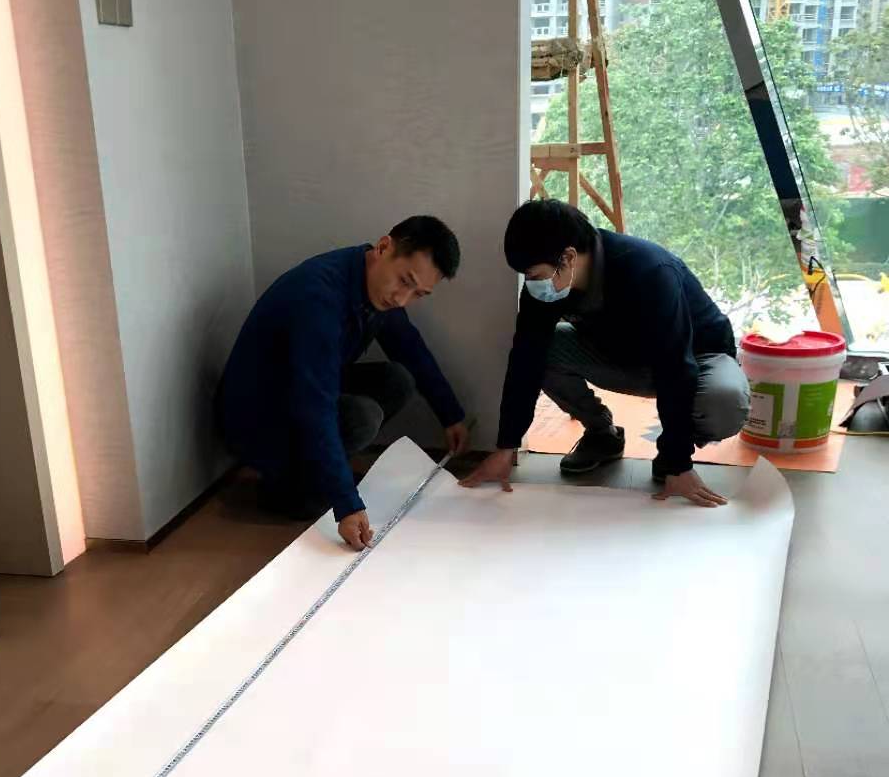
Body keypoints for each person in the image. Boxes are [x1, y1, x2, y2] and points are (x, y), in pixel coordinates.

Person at [461, 200, 751, 508]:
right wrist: (506, 447)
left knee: (725, 402)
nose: (531, 284)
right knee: (543, 352)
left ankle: (672, 455)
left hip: (695, 357)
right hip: (623, 355)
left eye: (533, 275)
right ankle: (602, 434)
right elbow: (526, 358)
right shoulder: (548, 285)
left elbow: (676, 366)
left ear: (568, 257)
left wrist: (678, 461)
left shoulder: (648, 271)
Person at [217, 216, 469, 548]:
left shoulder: (376, 285)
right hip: (257, 419)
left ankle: (319, 472)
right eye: (404, 281)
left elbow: (410, 348)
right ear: (383, 247)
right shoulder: (319, 297)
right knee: (362, 417)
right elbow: (315, 403)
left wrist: (451, 415)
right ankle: (287, 484)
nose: (402, 299)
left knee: (398, 379)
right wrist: (347, 505)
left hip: (297, 391)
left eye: (418, 294)